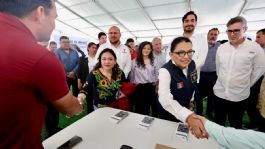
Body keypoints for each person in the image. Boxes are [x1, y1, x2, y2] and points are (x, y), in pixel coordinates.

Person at [0, 0, 84, 148]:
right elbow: (70, 108)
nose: (53, 25)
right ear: (40, 12)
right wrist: (80, 102)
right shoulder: (38, 56)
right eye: (54, 17)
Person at [213, 16, 265, 129]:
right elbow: (218, 68)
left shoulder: (255, 48)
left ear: (245, 29)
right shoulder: (222, 48)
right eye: (229, 31)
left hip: (239, 96)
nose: (232, 34)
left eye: (236, 30)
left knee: (235, 124)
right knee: (218, 123)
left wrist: (244, 84)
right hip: (219, 93)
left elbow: (259, 69)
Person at [158, 37, 207, 139]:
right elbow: (165, 99)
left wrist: (191, 100)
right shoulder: (165, 71)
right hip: (169, 113)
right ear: (171, 55)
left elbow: (193, 82)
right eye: (181, 53)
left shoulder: (192, 63)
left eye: (189, 52)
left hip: (186, 106)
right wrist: (188, 116)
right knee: (168, 137)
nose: (186, 57)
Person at [194, 115, 265, 149]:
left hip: (239, 98)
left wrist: (206, 124)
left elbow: (246, 140)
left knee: (235, 123)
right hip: (219, 96)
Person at [195, 28, 220, 118]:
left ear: (217, 36)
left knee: (212, 94)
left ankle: (209, 112)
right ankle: (199, 111)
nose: (213, 36)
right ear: (208, 34)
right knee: (198, 94)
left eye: (215, 35)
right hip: (200, 74)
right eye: (211, 34)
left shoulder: (219, 46)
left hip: (213, 75)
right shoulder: (201, 45)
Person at [130, 41, 158, 116]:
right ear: (140, 49)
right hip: (139, 88)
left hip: (151, 87)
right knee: (140, 110)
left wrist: (156, 86)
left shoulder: (154, 61)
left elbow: (156, 74)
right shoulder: (134, 61)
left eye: (148, 49)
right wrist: (133, 87)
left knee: (152, 109)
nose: (146, 50)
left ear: (151, 50)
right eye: (144, 48)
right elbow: (132, 76)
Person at [77, 42, 97, 113]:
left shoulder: (99, 58)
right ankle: (90, 113)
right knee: (89, 99)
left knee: (96, 98)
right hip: (87, 81)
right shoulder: (83, 58)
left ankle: (97, 112)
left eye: (95, 48)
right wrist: (79, 81)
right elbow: (79, 70)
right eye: (93, 47)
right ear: (88, 48)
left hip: (97, 82)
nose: (94, 49)